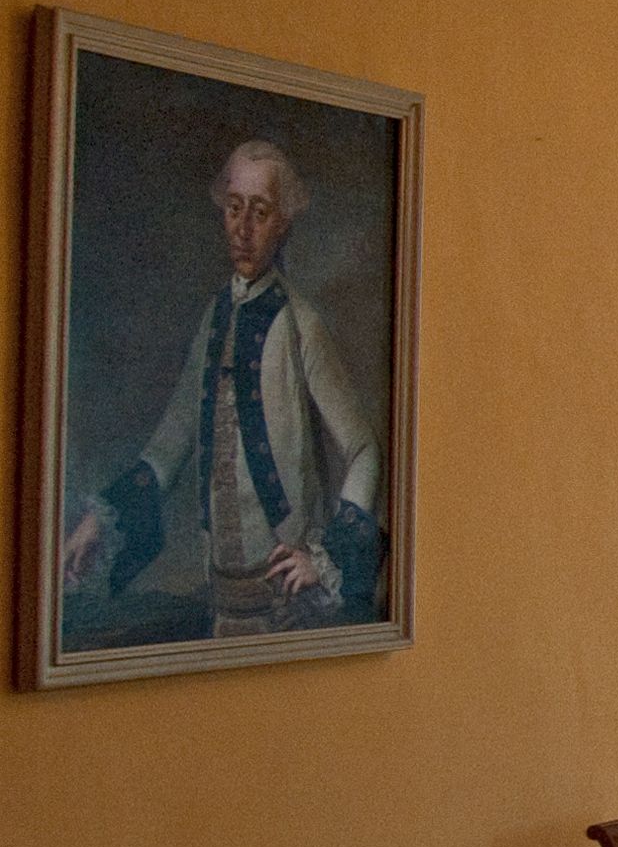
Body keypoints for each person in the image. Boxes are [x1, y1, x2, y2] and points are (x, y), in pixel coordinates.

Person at [57, 138, 386, 639]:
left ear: (284, 222)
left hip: (288, 610)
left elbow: (364, 448)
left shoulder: (302, 325)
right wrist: (100, 520)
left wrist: (325, 558)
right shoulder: (215, 317)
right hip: (222, 601)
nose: (243, 229)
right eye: (234, 209)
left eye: (260, 212)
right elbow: (169, 444)